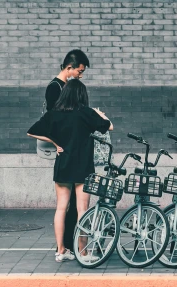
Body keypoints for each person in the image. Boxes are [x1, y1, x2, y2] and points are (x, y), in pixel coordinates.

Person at [28, 79, 113, 262]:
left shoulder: (55, 114)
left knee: (60, 208)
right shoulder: (86, 113)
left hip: (63, 163)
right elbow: (109, 127)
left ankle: (61, 251)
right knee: (82, 209)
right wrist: (100, 114)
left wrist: (55, 143)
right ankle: (82, 252)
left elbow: (32, 131)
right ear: (82, 95)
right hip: (83, 166)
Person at [44, 49, 90, 252]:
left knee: (71, 205)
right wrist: (56, 144)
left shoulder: (68, 87)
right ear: (69, 68)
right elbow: (54, 122)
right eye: (79, 71)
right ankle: (67, 246)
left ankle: (68, 246)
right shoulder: (55, 88)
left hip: (72, 151)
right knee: (71, 205)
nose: (80, 75)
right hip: (69, 153)